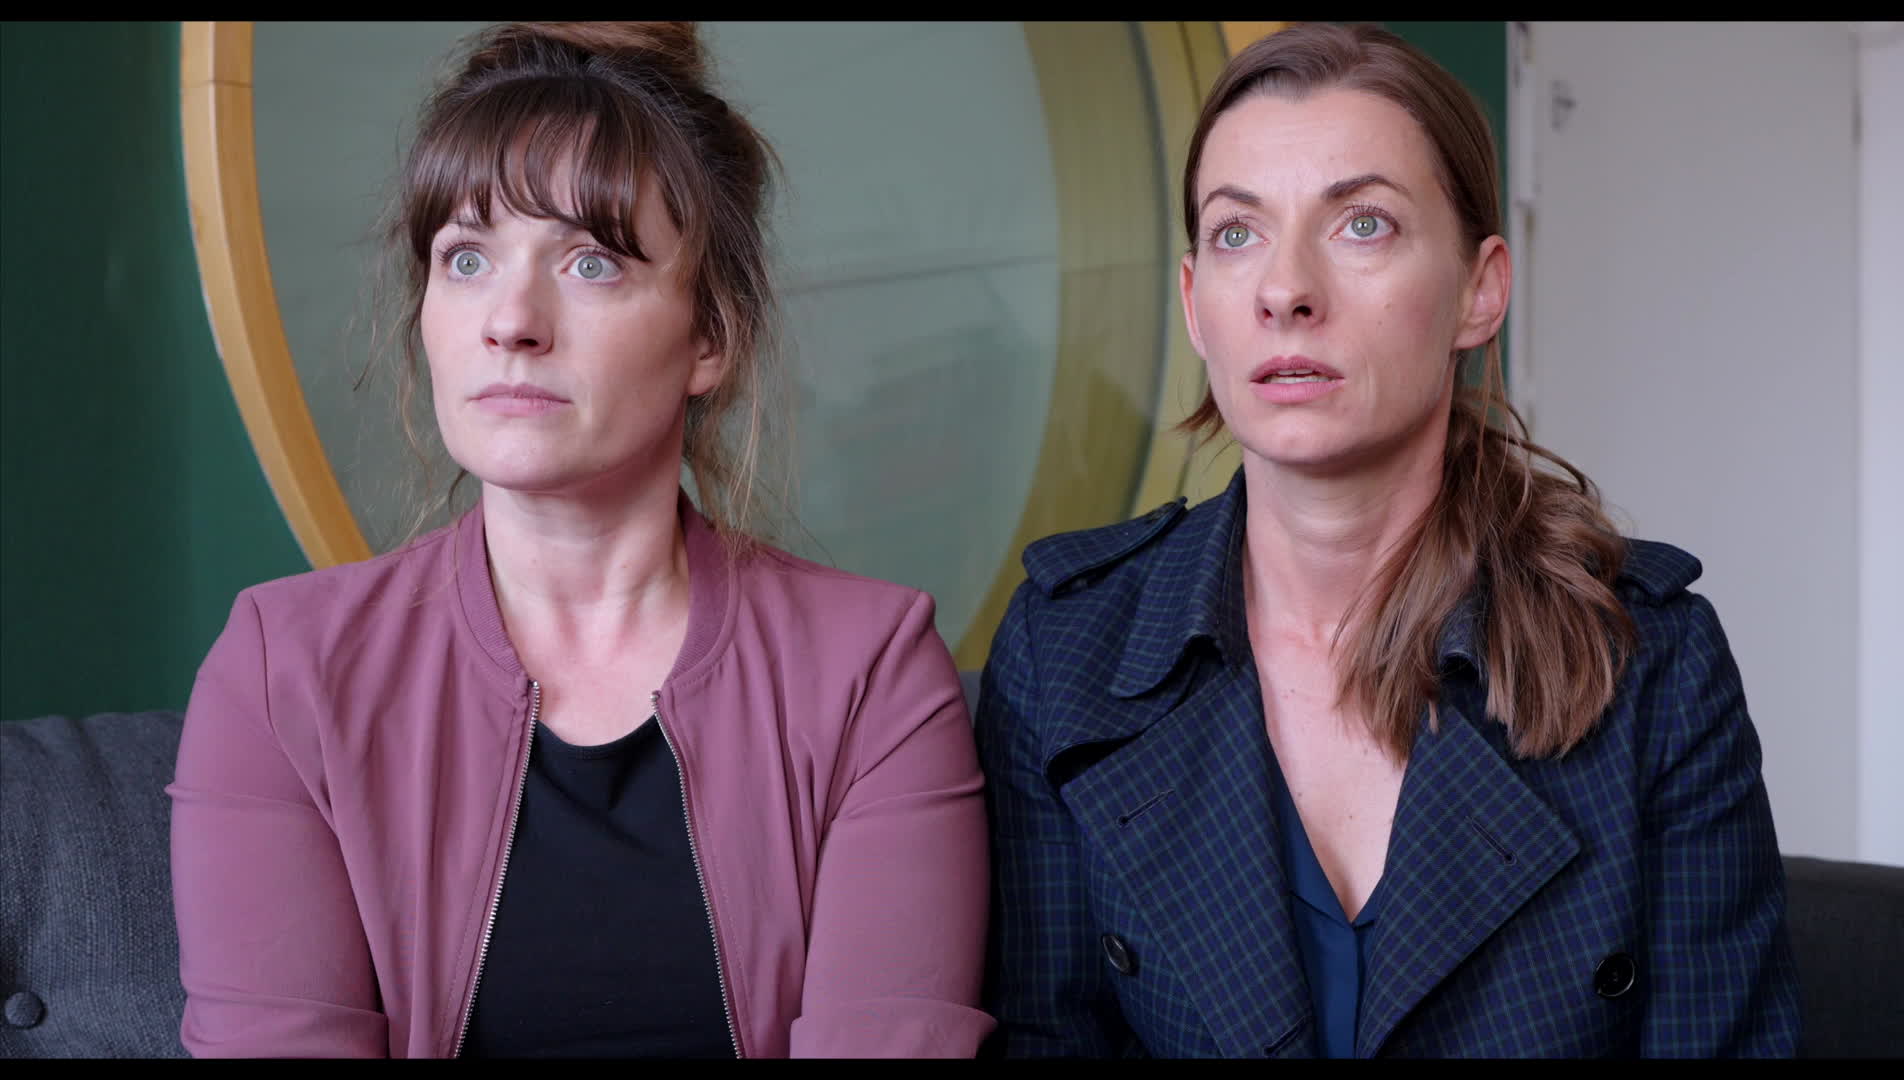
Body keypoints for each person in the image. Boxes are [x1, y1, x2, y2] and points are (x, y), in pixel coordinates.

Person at [973, 22, 1799, 1058]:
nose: (1285, 289)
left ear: (1479, 289)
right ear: (1193, 303)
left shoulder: (1653, 665)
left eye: (1362, 224)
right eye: (1236, 233)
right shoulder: (1065, 652)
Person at [168, 21, 992, 1059]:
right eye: (467, 258)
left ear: (709, 337)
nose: (511, 320)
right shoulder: (282, 670)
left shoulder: (872, 669)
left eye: (591, 263)